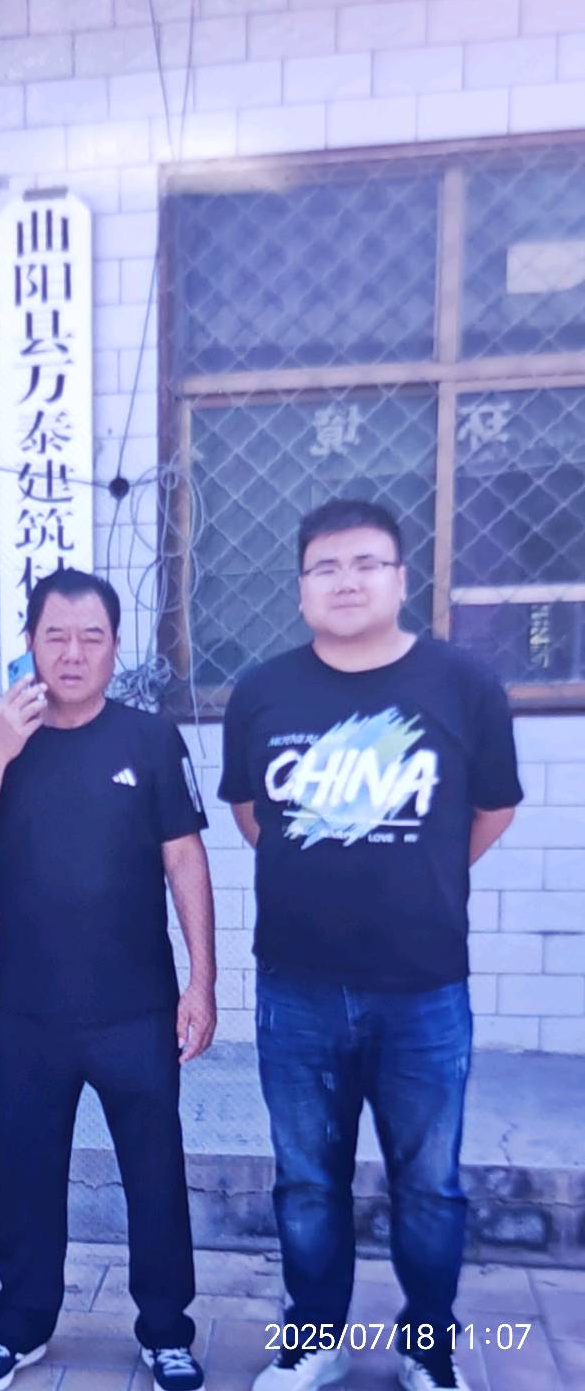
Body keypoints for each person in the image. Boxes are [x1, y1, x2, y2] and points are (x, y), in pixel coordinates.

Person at [219, 501, 523, 1391]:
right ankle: (316, 1340)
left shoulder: (463, 684)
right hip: (297, 988)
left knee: (429, 1186)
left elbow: (492, 810)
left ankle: (428, 1348)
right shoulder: (263, 692)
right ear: (301, 588)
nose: (345, 581)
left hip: (423, 988)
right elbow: (256, 816)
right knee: (306, 1183)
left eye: (366, 564)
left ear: (400, 578)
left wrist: (417, 878)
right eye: (325, 567)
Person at [0, 568, 216, 1391]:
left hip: (137, 1011)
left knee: (155, 1177)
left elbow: (185, 860)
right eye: (55, 635)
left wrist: (202, 983)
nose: (72, 652)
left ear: (115, 649)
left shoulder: (150, 740)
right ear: (29, 643)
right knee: (25, 1177)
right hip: (27, 1013)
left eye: (91, 637)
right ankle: (19, 1326)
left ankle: (165, 1330)